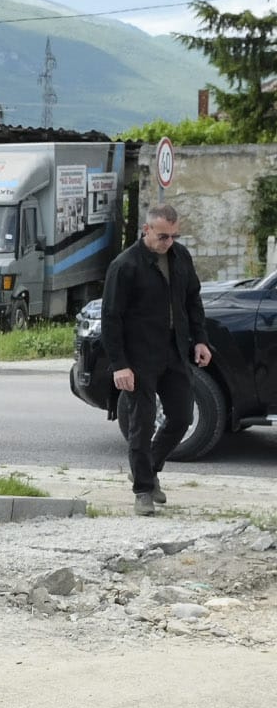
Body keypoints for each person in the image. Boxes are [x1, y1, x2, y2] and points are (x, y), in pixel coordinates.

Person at [101, 203, 211, 515]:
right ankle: (143, 490)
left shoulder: (180, 257)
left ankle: (148, 468)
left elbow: (193, 299)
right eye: (163, 236)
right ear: (146, 230)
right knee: (142, 423)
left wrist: (200, 340)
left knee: (181, 418)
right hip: (139, 358)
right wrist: (119, 365)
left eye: (174, 236)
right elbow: (111, 318)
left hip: (175, 352)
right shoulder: (125, 265)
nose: (169, 242)